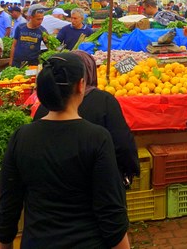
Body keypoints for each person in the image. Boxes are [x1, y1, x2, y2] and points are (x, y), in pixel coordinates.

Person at [0, 53, 130, 249]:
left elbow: (8, 204)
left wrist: (5, 246)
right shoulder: (97, 138)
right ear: (81, 85)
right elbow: (110, 210)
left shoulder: (21, 137)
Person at [35, 52, 140, 186]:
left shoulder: (40, 111)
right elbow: (123, 144)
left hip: (50, 190)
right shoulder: (104, 104)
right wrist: (129, 171)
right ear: (81, 82)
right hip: (97, 188)